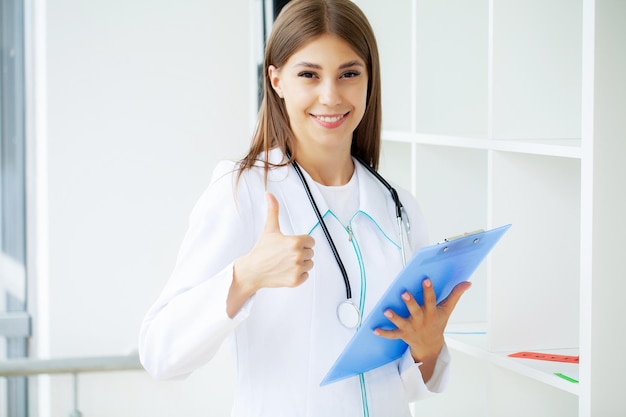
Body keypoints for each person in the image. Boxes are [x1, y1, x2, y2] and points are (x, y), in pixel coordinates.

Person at [138, 0, 471, 415]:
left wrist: (428, 347)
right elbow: (159, 354)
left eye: (349, 74)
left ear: (370, 79)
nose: (330, 96)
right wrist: (245, 276)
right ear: (276, 80)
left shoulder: (397, 205)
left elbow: (397, 382)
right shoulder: (243, 191)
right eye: (308, 75)